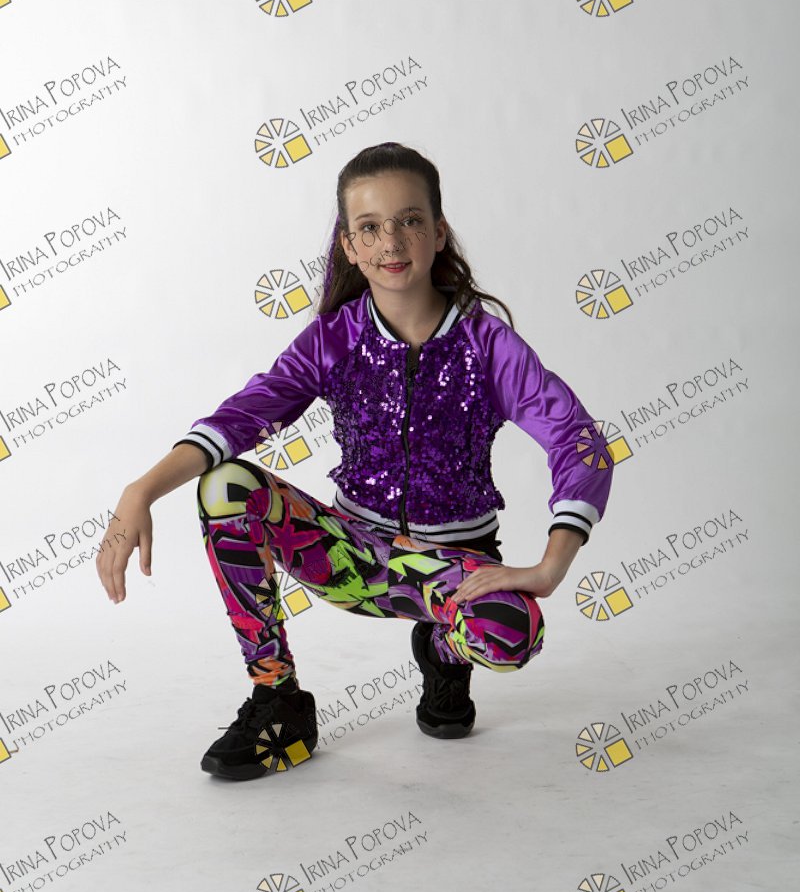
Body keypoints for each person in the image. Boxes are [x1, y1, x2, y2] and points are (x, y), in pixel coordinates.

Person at [96, 141, 613, 782]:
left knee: (514, 633)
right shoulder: (334, 338)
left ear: (438, 232)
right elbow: (245, 414)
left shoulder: (488, 344)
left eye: (410, 220)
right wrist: (141, 490)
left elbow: (578, 440)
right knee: (225, 485)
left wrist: (549, 568)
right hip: (352, 557)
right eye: (369, 227)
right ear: (349, 246)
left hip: (455, 568)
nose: (390, 241)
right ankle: (277, 699)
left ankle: (445, 652)